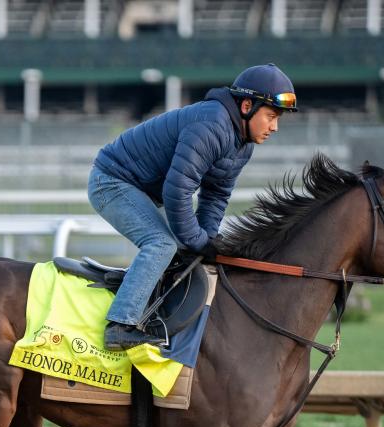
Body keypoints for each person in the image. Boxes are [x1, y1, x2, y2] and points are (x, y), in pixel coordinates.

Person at [87, 63, 298, 351]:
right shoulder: (212, 125)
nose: (274, 127)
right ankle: (120, 326)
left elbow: (216, 195)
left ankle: (141, 298)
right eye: (271, 116)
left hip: (141, 188)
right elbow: (177, 191)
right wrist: (198, 240)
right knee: (161, 243)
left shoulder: (242, 144)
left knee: (185, 250)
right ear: (247, 105)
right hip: (111, 181)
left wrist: (207, 239)